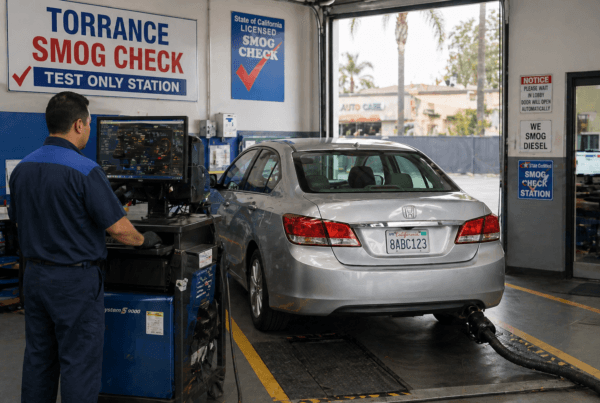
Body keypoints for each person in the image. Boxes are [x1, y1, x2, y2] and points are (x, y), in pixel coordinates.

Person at [8, 91, 162, 403]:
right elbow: (121, 230)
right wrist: (146, 240)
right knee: (79, 364)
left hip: (35, 278)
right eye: (89, 124)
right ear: (79, 124)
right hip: (74, 284)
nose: (89, 130)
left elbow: (18, 218)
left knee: (39, 359)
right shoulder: (85, 169)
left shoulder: (22, 168)